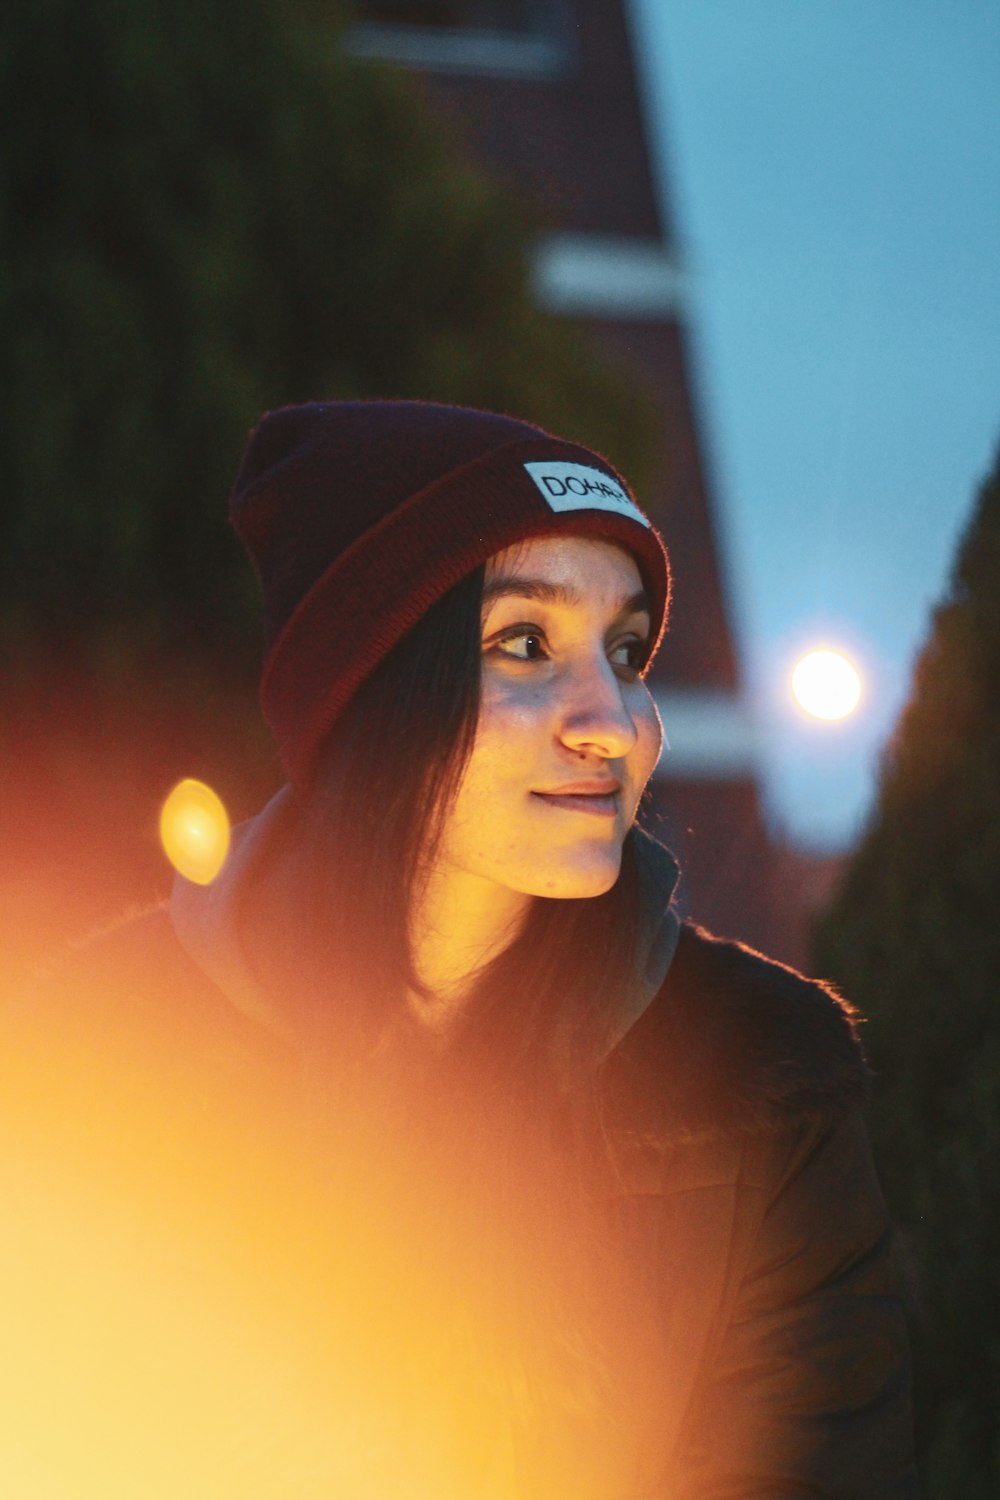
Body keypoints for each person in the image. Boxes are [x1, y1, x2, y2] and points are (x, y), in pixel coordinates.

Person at [4, 400, 919, 1497]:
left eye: (624, 652)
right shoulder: (89, 1052)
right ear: (371, 690)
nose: (611, 721)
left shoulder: (762, 1073)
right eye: (524, 643)